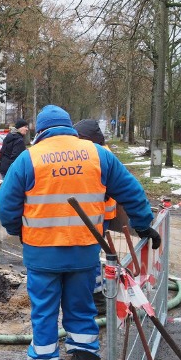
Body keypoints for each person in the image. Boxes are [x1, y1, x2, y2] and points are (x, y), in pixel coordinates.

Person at [0, 105, 160, 360]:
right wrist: (143, 225)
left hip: (41, 253)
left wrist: (20, 231)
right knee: (81, 307)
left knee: (44, 312)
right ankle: (85, 358)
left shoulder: (29, 159)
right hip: (83, 251)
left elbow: (5, 207)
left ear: (41, 130)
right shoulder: (97, 155)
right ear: (69, 126)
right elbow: (131, 190)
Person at [73, 119, 116, 314]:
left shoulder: (101, 154)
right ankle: (96, 293)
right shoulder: (101, 151)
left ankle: (98, 299)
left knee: (91, 256)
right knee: (93, 254)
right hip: (98, 214)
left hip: (98, 215)